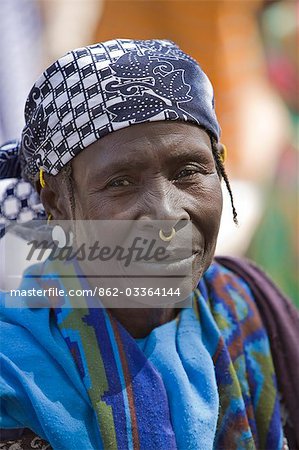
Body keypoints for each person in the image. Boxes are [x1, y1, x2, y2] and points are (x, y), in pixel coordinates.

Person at [0, 39, 298, 450]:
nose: (165, 214)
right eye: (120, 182)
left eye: (190, 170)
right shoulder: (13, 372)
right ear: (58, 204)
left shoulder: (248, 308)